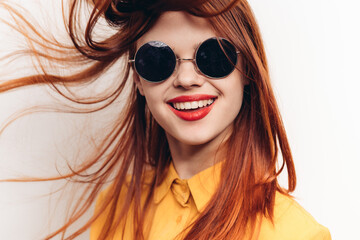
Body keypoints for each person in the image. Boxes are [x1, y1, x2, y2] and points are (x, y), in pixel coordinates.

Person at [0, 0, 331, 239]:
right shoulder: (114, 209)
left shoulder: (297, 234)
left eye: (213, 55)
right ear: (138, 80)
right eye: (157, 59)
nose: (186, 78)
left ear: (247, 69)